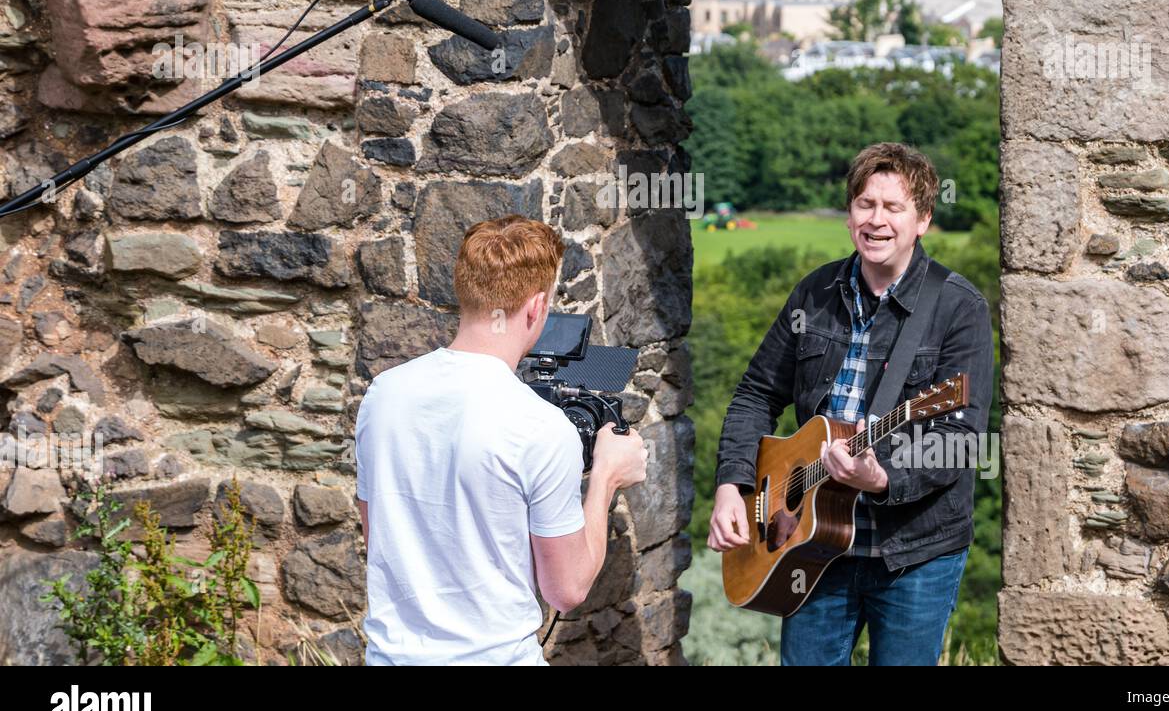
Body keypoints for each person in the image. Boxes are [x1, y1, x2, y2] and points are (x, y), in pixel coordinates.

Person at [708, 142, 994, 665]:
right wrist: (734, 483)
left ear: (923, 219)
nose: (876, 220)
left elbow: (960, 440)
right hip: (810, 546)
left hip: (913, 553)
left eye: (893, 207)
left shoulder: (958, 308)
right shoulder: (815, 293)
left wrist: (882, 478)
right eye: (865, 204)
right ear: (849, 214)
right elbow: (756, 393)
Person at [355, 215, 647, 665]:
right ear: (537, 307)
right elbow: (567, 590)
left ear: (463, 290)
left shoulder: (383, 394)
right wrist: (606, 477)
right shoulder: (541, 426)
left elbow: (381, 540)